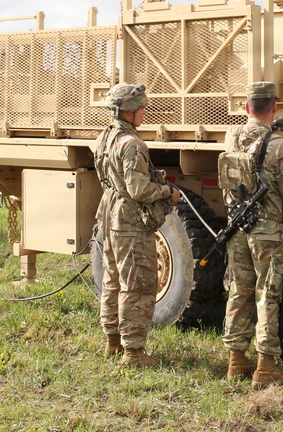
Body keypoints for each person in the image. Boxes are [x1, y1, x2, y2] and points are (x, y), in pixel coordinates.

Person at [221, 82, 283, 389]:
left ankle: (236, 361)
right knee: (267, 294)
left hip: (238, 229)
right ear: (275, 107)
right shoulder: (281, 147)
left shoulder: (231, 137)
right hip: (268, 235)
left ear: (247, 107)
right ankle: (266, 366)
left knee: (239, 291)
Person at [94, 83, 181, 366]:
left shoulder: (105, 137)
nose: (144, 112)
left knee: (113, 278)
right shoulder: (132, 144)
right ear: (129, 111)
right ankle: (133, 352)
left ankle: (113, 341)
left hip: (110, 213)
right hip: (129, 219)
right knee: (138, 282)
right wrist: (168, 192)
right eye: (141, 108)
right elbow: (139, 189)